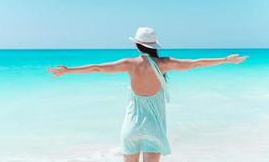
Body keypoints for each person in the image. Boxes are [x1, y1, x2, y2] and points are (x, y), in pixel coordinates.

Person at [47, 27, 248, 162]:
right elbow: (196, 63)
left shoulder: (129, 64)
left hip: (131, 128)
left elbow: (97, 69)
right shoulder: (164, 64)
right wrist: (226, 59)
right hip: (154, 128)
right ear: (154, 46)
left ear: (137, 45)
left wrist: (69, 70)